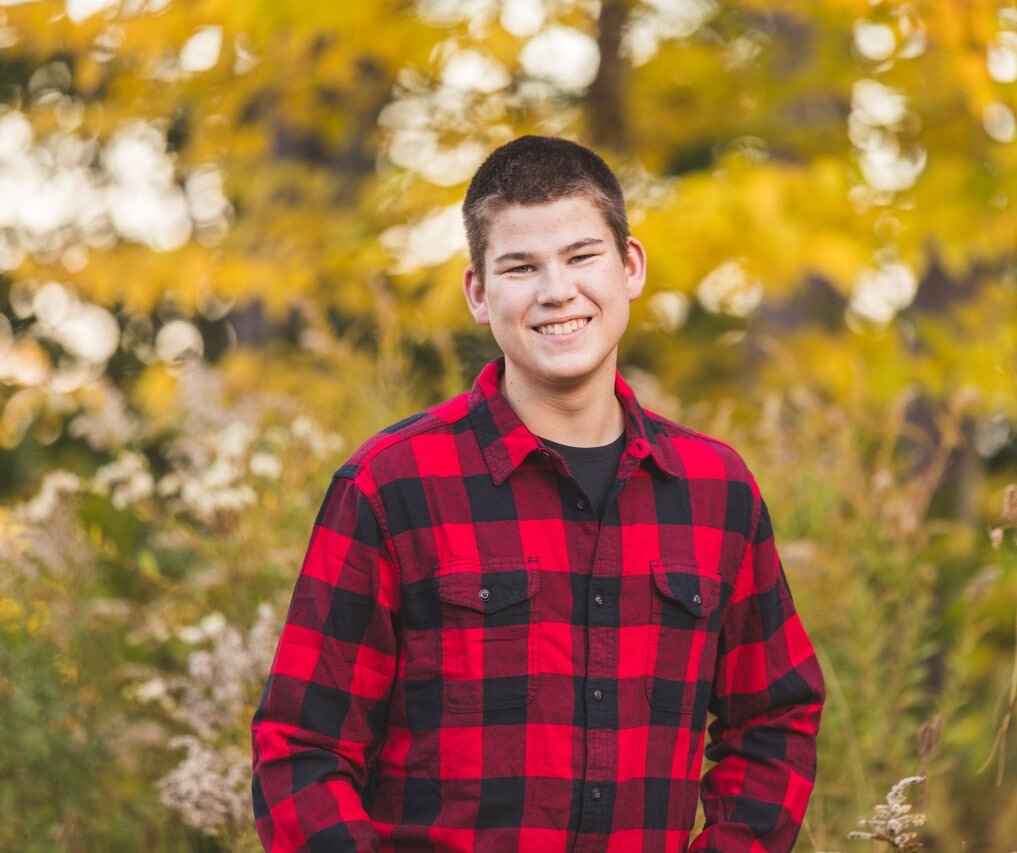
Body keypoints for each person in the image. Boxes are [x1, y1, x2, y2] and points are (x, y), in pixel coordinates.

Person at [251, 135, 825, 852]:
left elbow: (775, 717)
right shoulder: (390, 487)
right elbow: (301, 751)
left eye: (581, 256)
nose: (557, 291)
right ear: (479, 294)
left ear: (630, 267)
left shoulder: (716, 492)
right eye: (521, 267)